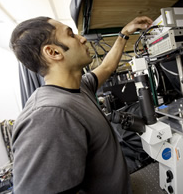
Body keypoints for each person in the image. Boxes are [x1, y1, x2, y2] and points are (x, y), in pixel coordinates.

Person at [10, 16, 152, 194]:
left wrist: (124, 34)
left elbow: (107, 67)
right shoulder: (49, 114)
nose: (82, 38)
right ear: (53, 52)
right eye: (71, 35)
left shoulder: (80, 87)